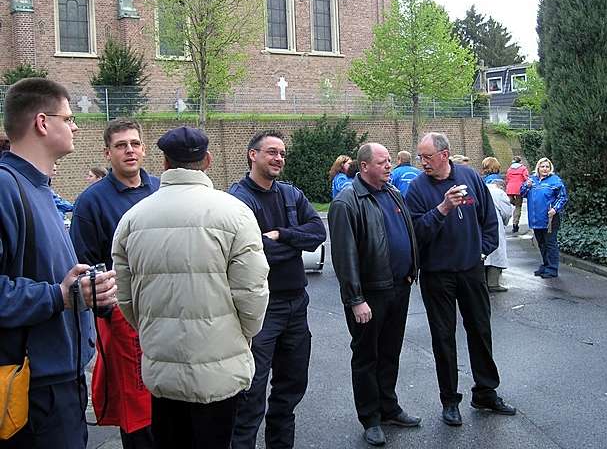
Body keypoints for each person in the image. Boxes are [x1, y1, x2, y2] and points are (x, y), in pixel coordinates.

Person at [112, 126, 270, 449]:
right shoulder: (235, 214)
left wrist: (151, 330)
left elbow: (126, 298)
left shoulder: (132, 219)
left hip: (162, 368)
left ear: (165, 164)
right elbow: (253, 292)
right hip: (219, 369)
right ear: (208, 160)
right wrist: (243, 336)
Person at [0, 77, 117, 448]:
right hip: (34, 392)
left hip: (59, 380)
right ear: (42, 122)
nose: (76, 126)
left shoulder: (38, 187)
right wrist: (59, 296)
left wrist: (85, 293)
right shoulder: (6, 187)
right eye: (68, 118)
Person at [406, 132, 516, 428]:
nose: (422, 162)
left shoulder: (469, 177)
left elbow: (489, 220)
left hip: (470, 270)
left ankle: (485, 392)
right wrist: (442, 209)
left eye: (427, 157)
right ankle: (449, 400)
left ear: (445, 154)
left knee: (480, 330)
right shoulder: (417, 188)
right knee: (443, 338)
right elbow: (415, 233)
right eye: (420, 157)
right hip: (437, 274)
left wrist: (481, 251)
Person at [229, 131, 326, 449]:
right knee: (250, 395)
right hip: (261, 309)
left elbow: (317, 232)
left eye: (283, 153)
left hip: (297, 305)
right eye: (272, 152)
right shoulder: (239, 199)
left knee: (291, 388)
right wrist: (293, 244)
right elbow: (252, 254)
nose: (279, 159)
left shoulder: (290, 194)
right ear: (252, 155)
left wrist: (282, 235)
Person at [70, 119, 160, 448]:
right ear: (108, 153)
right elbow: (84, 265)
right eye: (121, 146)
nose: (130, 150)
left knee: (173, 399)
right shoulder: (91, 202)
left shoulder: (162, 190)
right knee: (136, 408)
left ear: (144, 148)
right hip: (125, 318)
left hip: (169, 311)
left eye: (135, 143)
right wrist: (108, 310)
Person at [328, 143, 421, 447]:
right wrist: (356, 299)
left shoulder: (392, 192)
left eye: (390, 161)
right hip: (369, 294)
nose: (389, 166)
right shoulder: (347, 202)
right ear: (364, 166)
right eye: (382, 162)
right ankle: (370, 418)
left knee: (390, 351)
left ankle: (389, 407)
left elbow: (405, 231)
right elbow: (345, 257)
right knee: (367, 356)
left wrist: (410, 269)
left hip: (399, 287)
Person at [520, 157, 568, 279]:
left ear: (550, 168)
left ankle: (552, 268)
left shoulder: (555, 180)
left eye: (547, 166)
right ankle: (546, 265)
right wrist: (526, 185)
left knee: (550, 243)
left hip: (549, 219)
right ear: (538, 168)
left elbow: (563, 197)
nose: (545, 169)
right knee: (541, 243)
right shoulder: (532, 180)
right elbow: (522, 193)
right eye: (542, 166)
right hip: (536, 219)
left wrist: (555, 209)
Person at [484, 179, 513, 292]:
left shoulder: (480, 189)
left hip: (478, 224)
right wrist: (504, 222)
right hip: (495, 224)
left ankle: (482, 282)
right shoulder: (499, 193)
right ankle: (493, 283)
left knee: (482, 253)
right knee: (496, 252)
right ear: (501, 186)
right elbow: (506, 212)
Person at [505, 156, 529, 233]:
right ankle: (515, 224)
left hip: (510, 188)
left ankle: (514, 204)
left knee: (510, 201)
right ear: (520, 161)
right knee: (518, 206)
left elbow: (507, 179)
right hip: (519, 189)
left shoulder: (509, 169)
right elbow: (526, 178)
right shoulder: (523, 168)